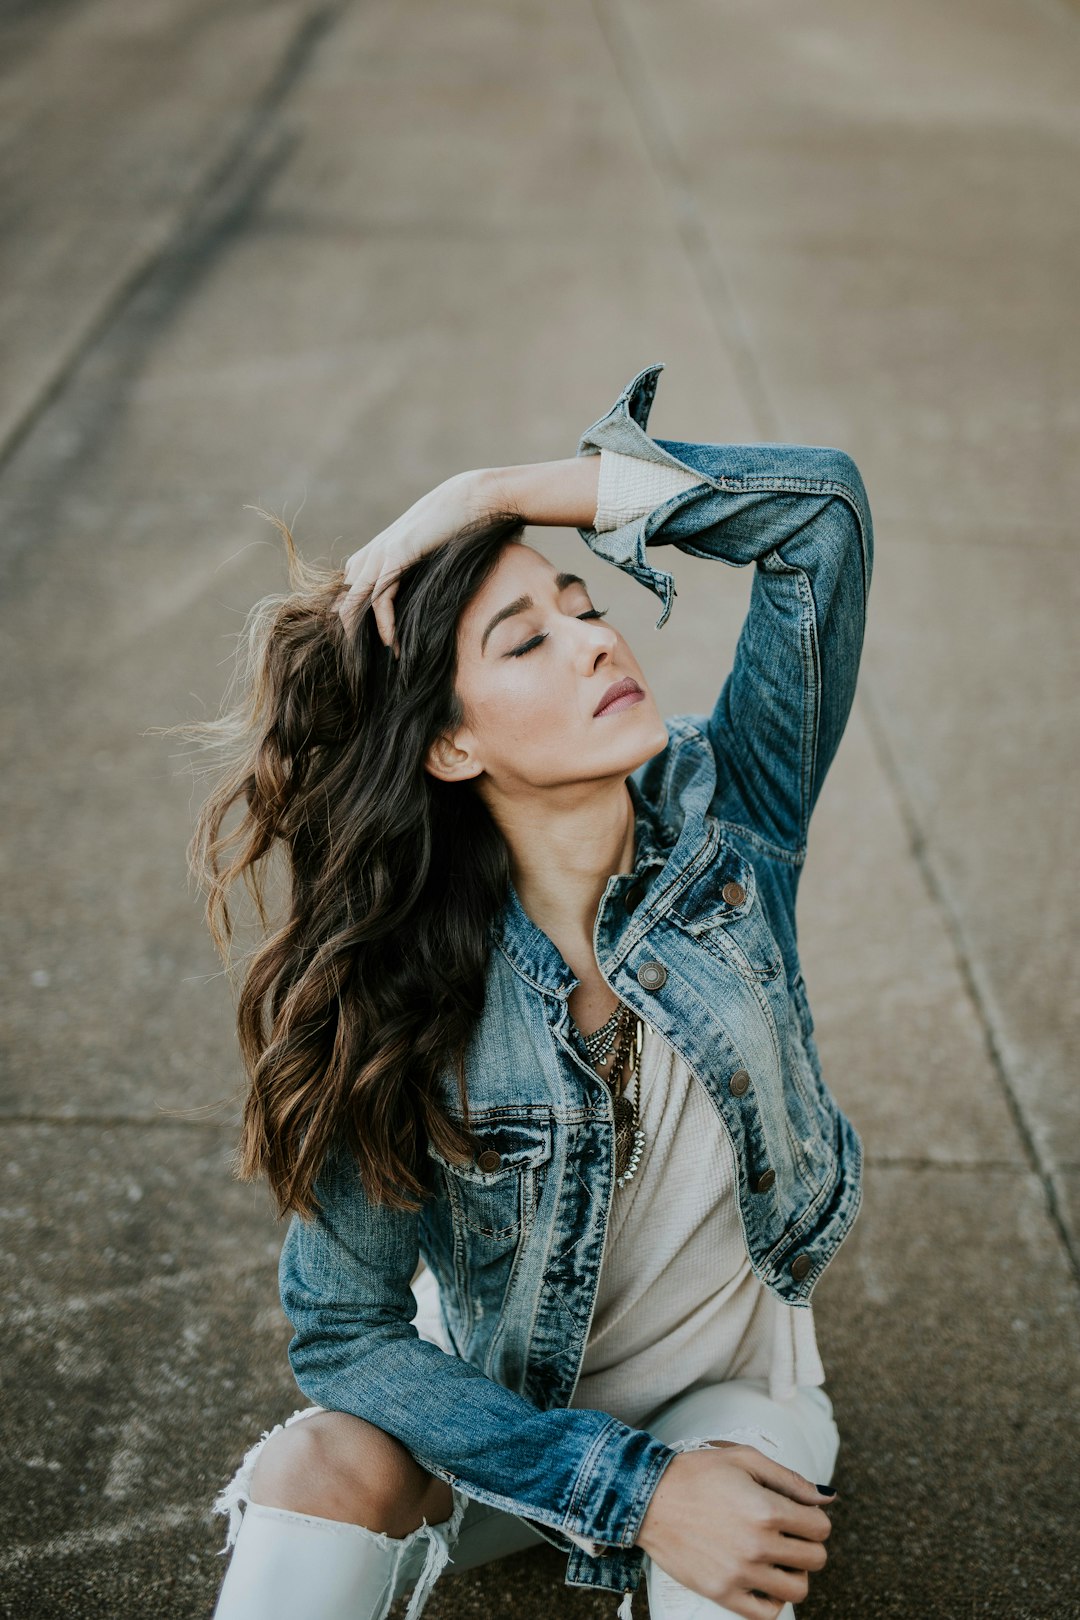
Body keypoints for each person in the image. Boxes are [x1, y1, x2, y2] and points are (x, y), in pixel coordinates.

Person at [188, 362, 874, 1620]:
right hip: (513, 1431)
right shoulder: (401, 989)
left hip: (730, 1406)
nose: (597, 636)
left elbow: (818, 518)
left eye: (582, 604)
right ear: (453, 745)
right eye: (529, 639)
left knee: (729, 1539)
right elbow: (348, 1335)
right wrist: (624, 1488)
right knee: (315, 1460)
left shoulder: (738, 831)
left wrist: (490, 492)